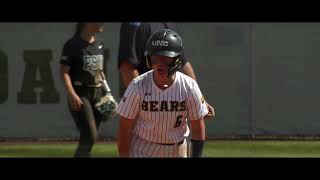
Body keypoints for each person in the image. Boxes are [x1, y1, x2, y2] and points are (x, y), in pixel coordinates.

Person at [117, 29, 208, 158]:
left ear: (176, 59)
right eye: (154, 58)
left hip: (178, 150)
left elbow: (197, 127)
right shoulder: (138, 85)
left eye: (166, 58)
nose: (159, 63)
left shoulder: (189, 87)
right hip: (143, 150)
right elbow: (124, 128)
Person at [117, 22, 214, 117]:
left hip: (175, 106)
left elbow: (184, 63)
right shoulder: (134, 25)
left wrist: (200, 100)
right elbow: (127, 67)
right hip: (149, 107)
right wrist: (143, 106)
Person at [60, 23, 117, 157]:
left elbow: (100, 72)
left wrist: (107, 92)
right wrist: (71, 94)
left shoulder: (100, 43)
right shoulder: (72, 44)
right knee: (90, 135)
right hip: (80, 94)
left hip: (97, 93)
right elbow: (64, 72)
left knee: (89, 138)